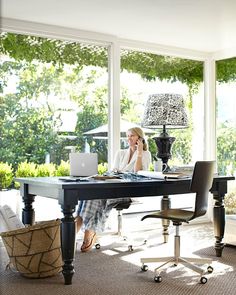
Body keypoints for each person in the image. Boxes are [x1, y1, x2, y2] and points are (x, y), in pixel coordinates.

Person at [76, 127, 151, 252]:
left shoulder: (145, 154)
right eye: (127, 136)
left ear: (140, 138)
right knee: (91, 193)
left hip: (130, 190)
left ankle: (84, 229)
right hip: (114, 185)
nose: (129, 139)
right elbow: (113, 171)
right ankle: (87, 228)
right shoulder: (120, 153)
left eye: (132, 136)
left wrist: (139, 153)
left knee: (99, 195)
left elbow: (139, 174)